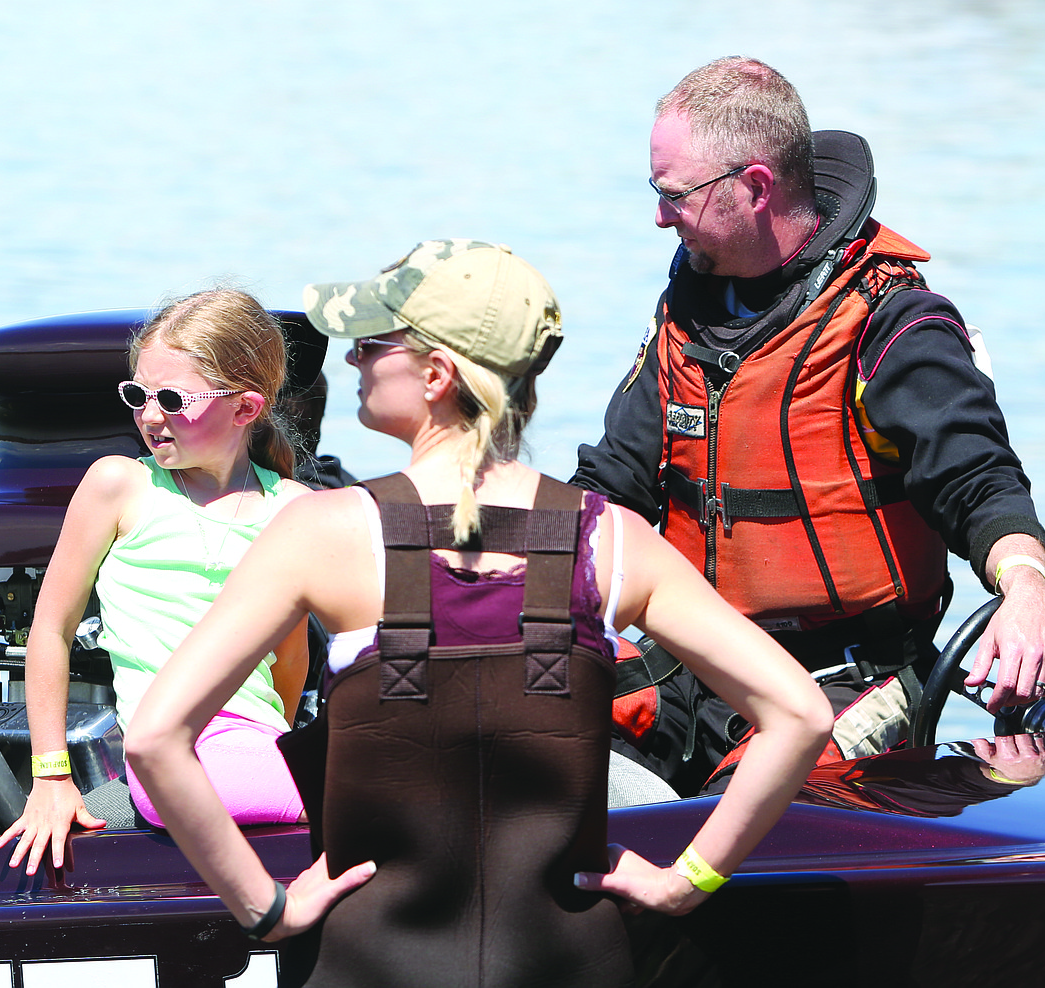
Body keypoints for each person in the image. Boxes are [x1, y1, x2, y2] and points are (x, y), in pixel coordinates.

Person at [125, 239, 832, 988]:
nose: (352, 362)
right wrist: (688, 880)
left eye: (370, 344)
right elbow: (800, 715)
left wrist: (263, 906)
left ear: (436, 374)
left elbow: (155, 737)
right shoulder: (612, 540)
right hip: (570, 964)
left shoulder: (322, 530)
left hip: (368, 964)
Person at [574, 56, 1045, 795]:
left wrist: (1026, 594)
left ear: (756, 188)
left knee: (744, 819)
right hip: (692, 664)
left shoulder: (891, 320)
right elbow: (611, 488)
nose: (659, 217)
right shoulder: (686, 310)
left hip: (848, 680)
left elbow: (981, 483)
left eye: (673, 195)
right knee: (523, 743)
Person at [0, 289, 310, 876]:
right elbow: (51, 630)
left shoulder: (293, 508)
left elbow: (292, 662)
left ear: (245, 410)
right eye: (138, 395)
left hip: (252, 743)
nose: (150, 414)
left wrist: (268, 740)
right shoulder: (119, 486)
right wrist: (52, 776)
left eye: (171, 398)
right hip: (163, 748)